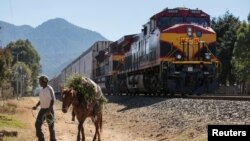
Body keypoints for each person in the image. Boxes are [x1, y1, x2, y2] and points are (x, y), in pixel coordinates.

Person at [32, 75, 56, 141]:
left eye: (40, 81)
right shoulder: (42, 90)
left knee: (51, 127)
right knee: (37, 125)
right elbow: (41, 100)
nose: (39, 83)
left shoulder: (49, 89)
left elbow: (53, 100)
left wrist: (49, 110)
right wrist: (36, 106)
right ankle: (41, 139)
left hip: (49, 111)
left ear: (44, 81)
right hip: (42, 110)